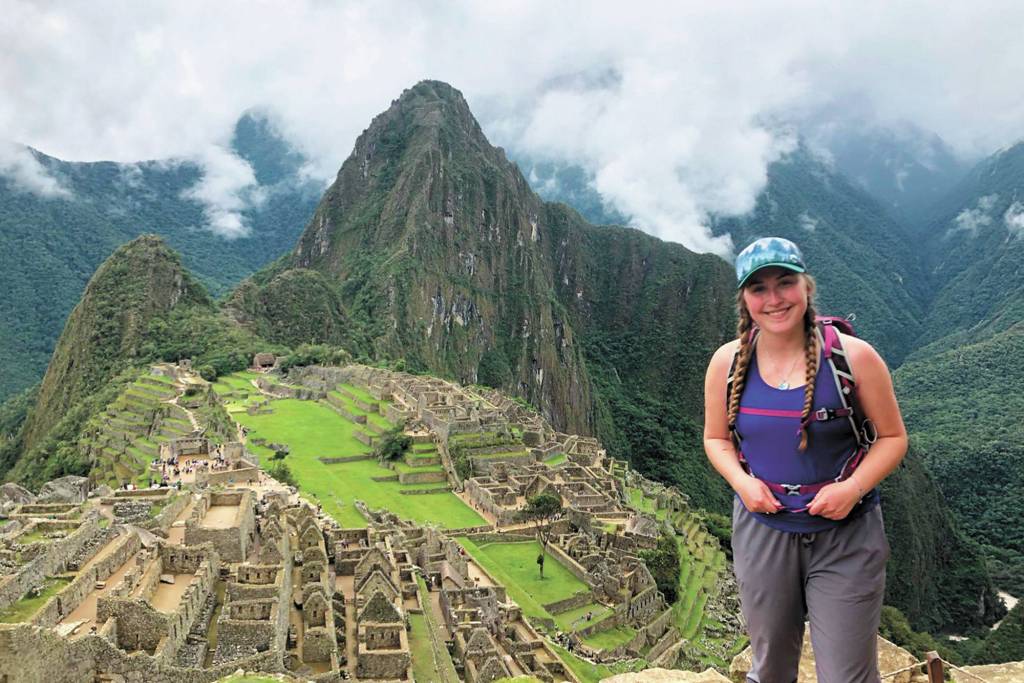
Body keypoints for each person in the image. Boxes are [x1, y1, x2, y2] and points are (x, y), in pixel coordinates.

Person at [703, 237, 907, 683]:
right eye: (758, 288)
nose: (774, 299)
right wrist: (743, 484)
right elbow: (716, 439)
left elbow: (893, 438)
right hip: (763, 530)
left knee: (847, 676)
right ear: (744, 299)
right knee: (771, 668)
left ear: (806, 287)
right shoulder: (728, 363)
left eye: (785, 283)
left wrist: (851, 489)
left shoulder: (853, 359)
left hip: (847, 535)